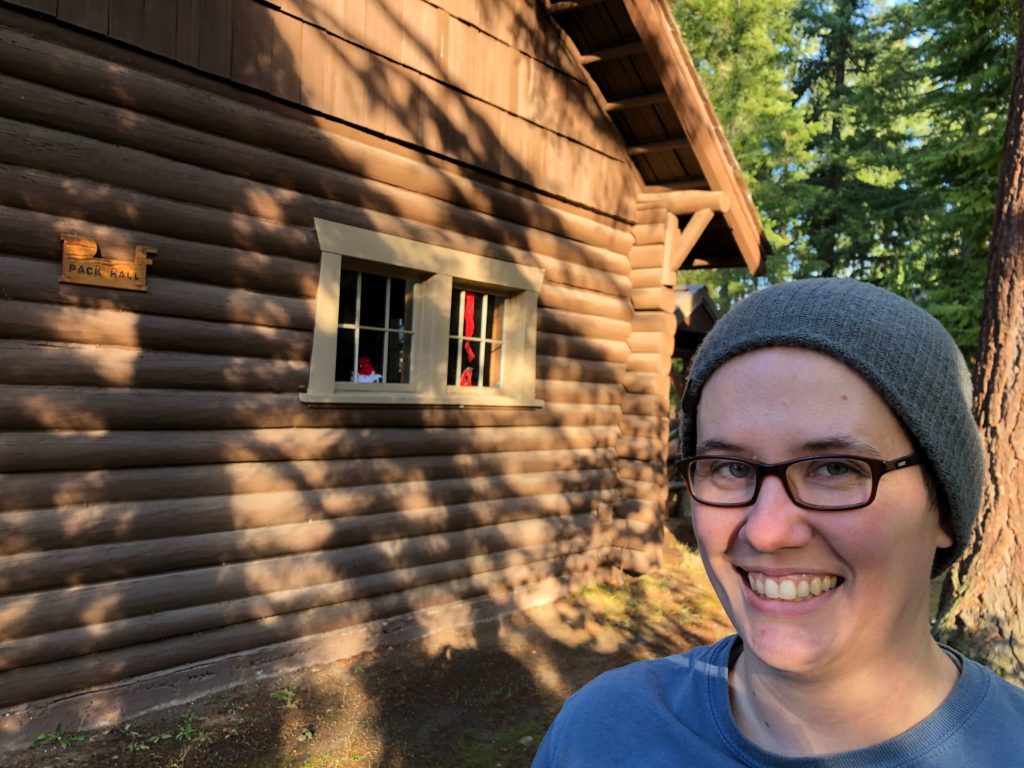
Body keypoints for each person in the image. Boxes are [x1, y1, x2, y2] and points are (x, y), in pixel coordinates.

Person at [532, 278, 1024, 767]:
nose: (766, 531)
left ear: (943, 508)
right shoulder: (599, 732)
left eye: (836, 469)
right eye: (731, 468)